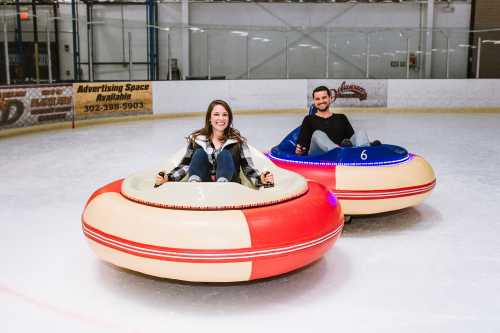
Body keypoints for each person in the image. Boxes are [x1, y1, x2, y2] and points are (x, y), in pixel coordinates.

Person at [154, 99, 274, 188]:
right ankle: (194, 185)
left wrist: (260, 179)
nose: (221, 119)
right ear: (210, 119)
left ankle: (222, 185)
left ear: (229, 119)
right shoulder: (197, 140)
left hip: (229, 186)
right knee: (200, 153)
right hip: (203, 185)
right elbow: (185, 165)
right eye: (216, 114)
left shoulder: (237, 142)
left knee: (225, 155)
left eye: (225, 115)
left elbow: (248, 168)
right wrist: (168, 178)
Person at [295, 86, 380, 156]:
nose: (321, 101)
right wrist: (300, 150)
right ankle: (339, 152)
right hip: (318, 155)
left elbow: (351, 140)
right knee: (318, 134)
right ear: (314, 101)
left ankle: (366, 152)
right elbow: (302, 144)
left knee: (361, 132)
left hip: (343, 152)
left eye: (324, 98)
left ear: (330, 98)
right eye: (317, 99)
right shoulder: (308, 119)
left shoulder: (341, 117)